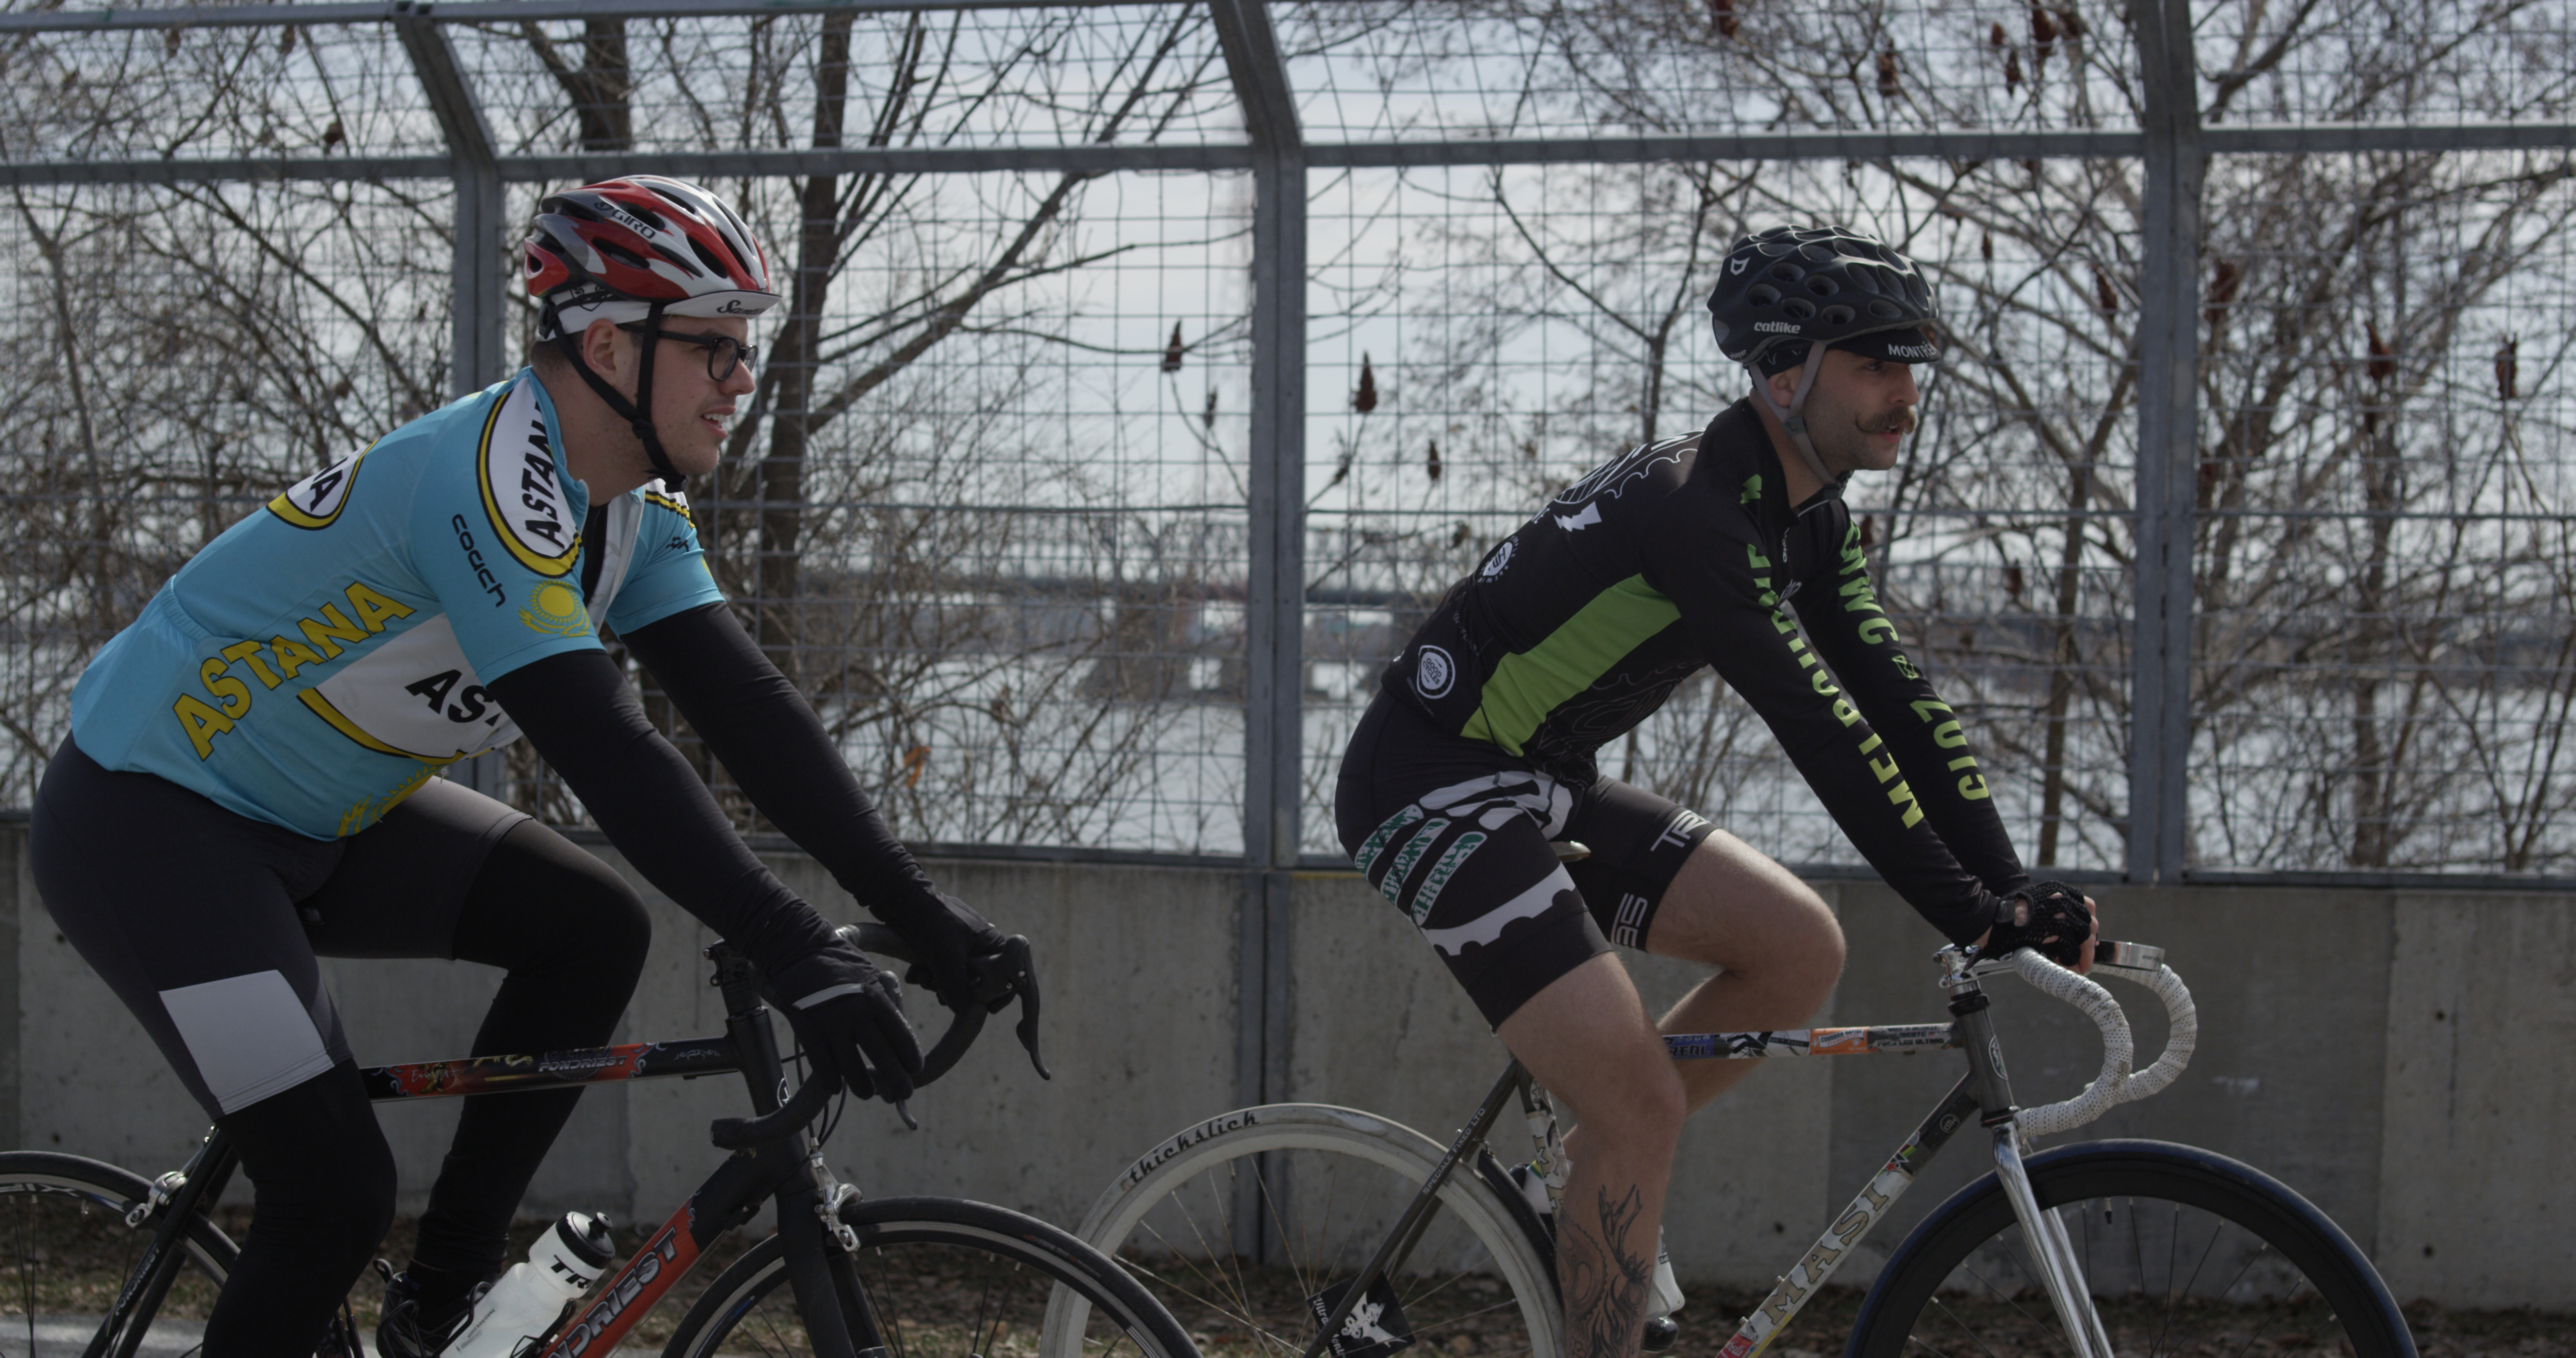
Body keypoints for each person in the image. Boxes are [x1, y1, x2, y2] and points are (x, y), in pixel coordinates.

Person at [28, 175, 1020, 1357]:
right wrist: (791, 942)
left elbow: (747, 709)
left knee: (589, 927)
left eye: (744, 351)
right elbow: (602, 739)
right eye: (712, 347)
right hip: (151, 824)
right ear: (607, 341)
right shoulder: (489, 479)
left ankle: (438, 1304)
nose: (739, 381)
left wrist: (909, 905)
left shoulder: (629, 510)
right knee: (331, 1197)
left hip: (319, 822)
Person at [1334, 225, 2097, 1358]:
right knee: (1638, 1100)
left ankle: (1579, 1179)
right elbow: (1822, 733)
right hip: (1427, 786)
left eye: (1909, 364)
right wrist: (1970, 914)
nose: (1904, 391)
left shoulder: (1810, 518)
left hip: (1535, 783)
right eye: (1875, 363)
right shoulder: (1694, 511)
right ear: (1784, 373)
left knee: (1798, 948)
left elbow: (1897, 703)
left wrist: (2008, 883)